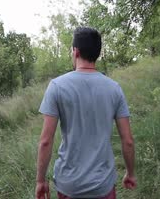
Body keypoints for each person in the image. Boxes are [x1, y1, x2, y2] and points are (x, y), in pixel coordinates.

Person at [35, 27, 136, 199]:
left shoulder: (57, 86)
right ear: (97, 53)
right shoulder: (114, 88)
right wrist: (130, 173)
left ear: (76, 51)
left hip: (69, 185)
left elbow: (46, 141)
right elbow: (127, 141)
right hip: (102, 184)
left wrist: (40, 181)